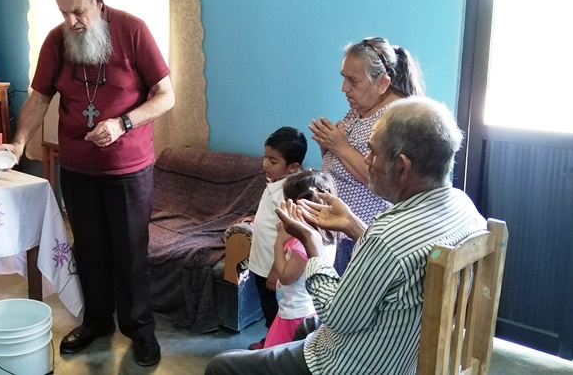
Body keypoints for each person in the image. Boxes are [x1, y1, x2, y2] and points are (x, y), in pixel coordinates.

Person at [205, 97, 486, 375]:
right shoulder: (464, 207)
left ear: (402, 166)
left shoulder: (388, 237)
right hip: (402, 349)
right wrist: (352, 225)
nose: (367, 161)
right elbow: (399, 265)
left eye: (372, 152)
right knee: (305, 327)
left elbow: (337, 317)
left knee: (222, 366)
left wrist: (312, 243)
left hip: (355, 363)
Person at [0, 0, 175, 367]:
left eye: (78, 12)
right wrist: (18, 143)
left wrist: (123, 123)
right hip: (77, 169)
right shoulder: (56, 41)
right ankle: (96, 322)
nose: (71, 22)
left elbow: (166, 95)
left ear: (98, 3)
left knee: (130, 254)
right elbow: (39, 98)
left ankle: (140, 330)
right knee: (88, 250)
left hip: (127, 169)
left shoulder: (133, 30)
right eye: (63, 12)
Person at [310, 37, 425, 276]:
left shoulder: (396, 118)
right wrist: (328, 147)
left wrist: (340, 146)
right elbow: (346, 161)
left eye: (353, 80)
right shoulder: (360, 108)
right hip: (338, 230)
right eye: (343, 77)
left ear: (383, 83)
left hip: (360, 234)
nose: (344, 88)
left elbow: (384, 180)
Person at [241, 126, 307, 350]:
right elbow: (273, 218)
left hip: (272, 266)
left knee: (274, 309)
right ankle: (271, 338)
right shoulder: (276, 182)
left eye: (273, 160)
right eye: (265, 157)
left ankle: (275, 346)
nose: (265, 164)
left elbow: (289, 235)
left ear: (293, 167)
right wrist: (257, 219)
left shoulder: (287, 192)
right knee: (267, 305)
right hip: (261, 261)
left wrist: (274, 271)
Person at [262, 170, 336, 349]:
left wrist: (278, 242)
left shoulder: (303, 244)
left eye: (285, 201)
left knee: (277, 358)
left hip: (296, 315)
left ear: (297, 207)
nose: (281, 206)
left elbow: (286, 278)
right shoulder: (325, 233)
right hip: (297, 310)